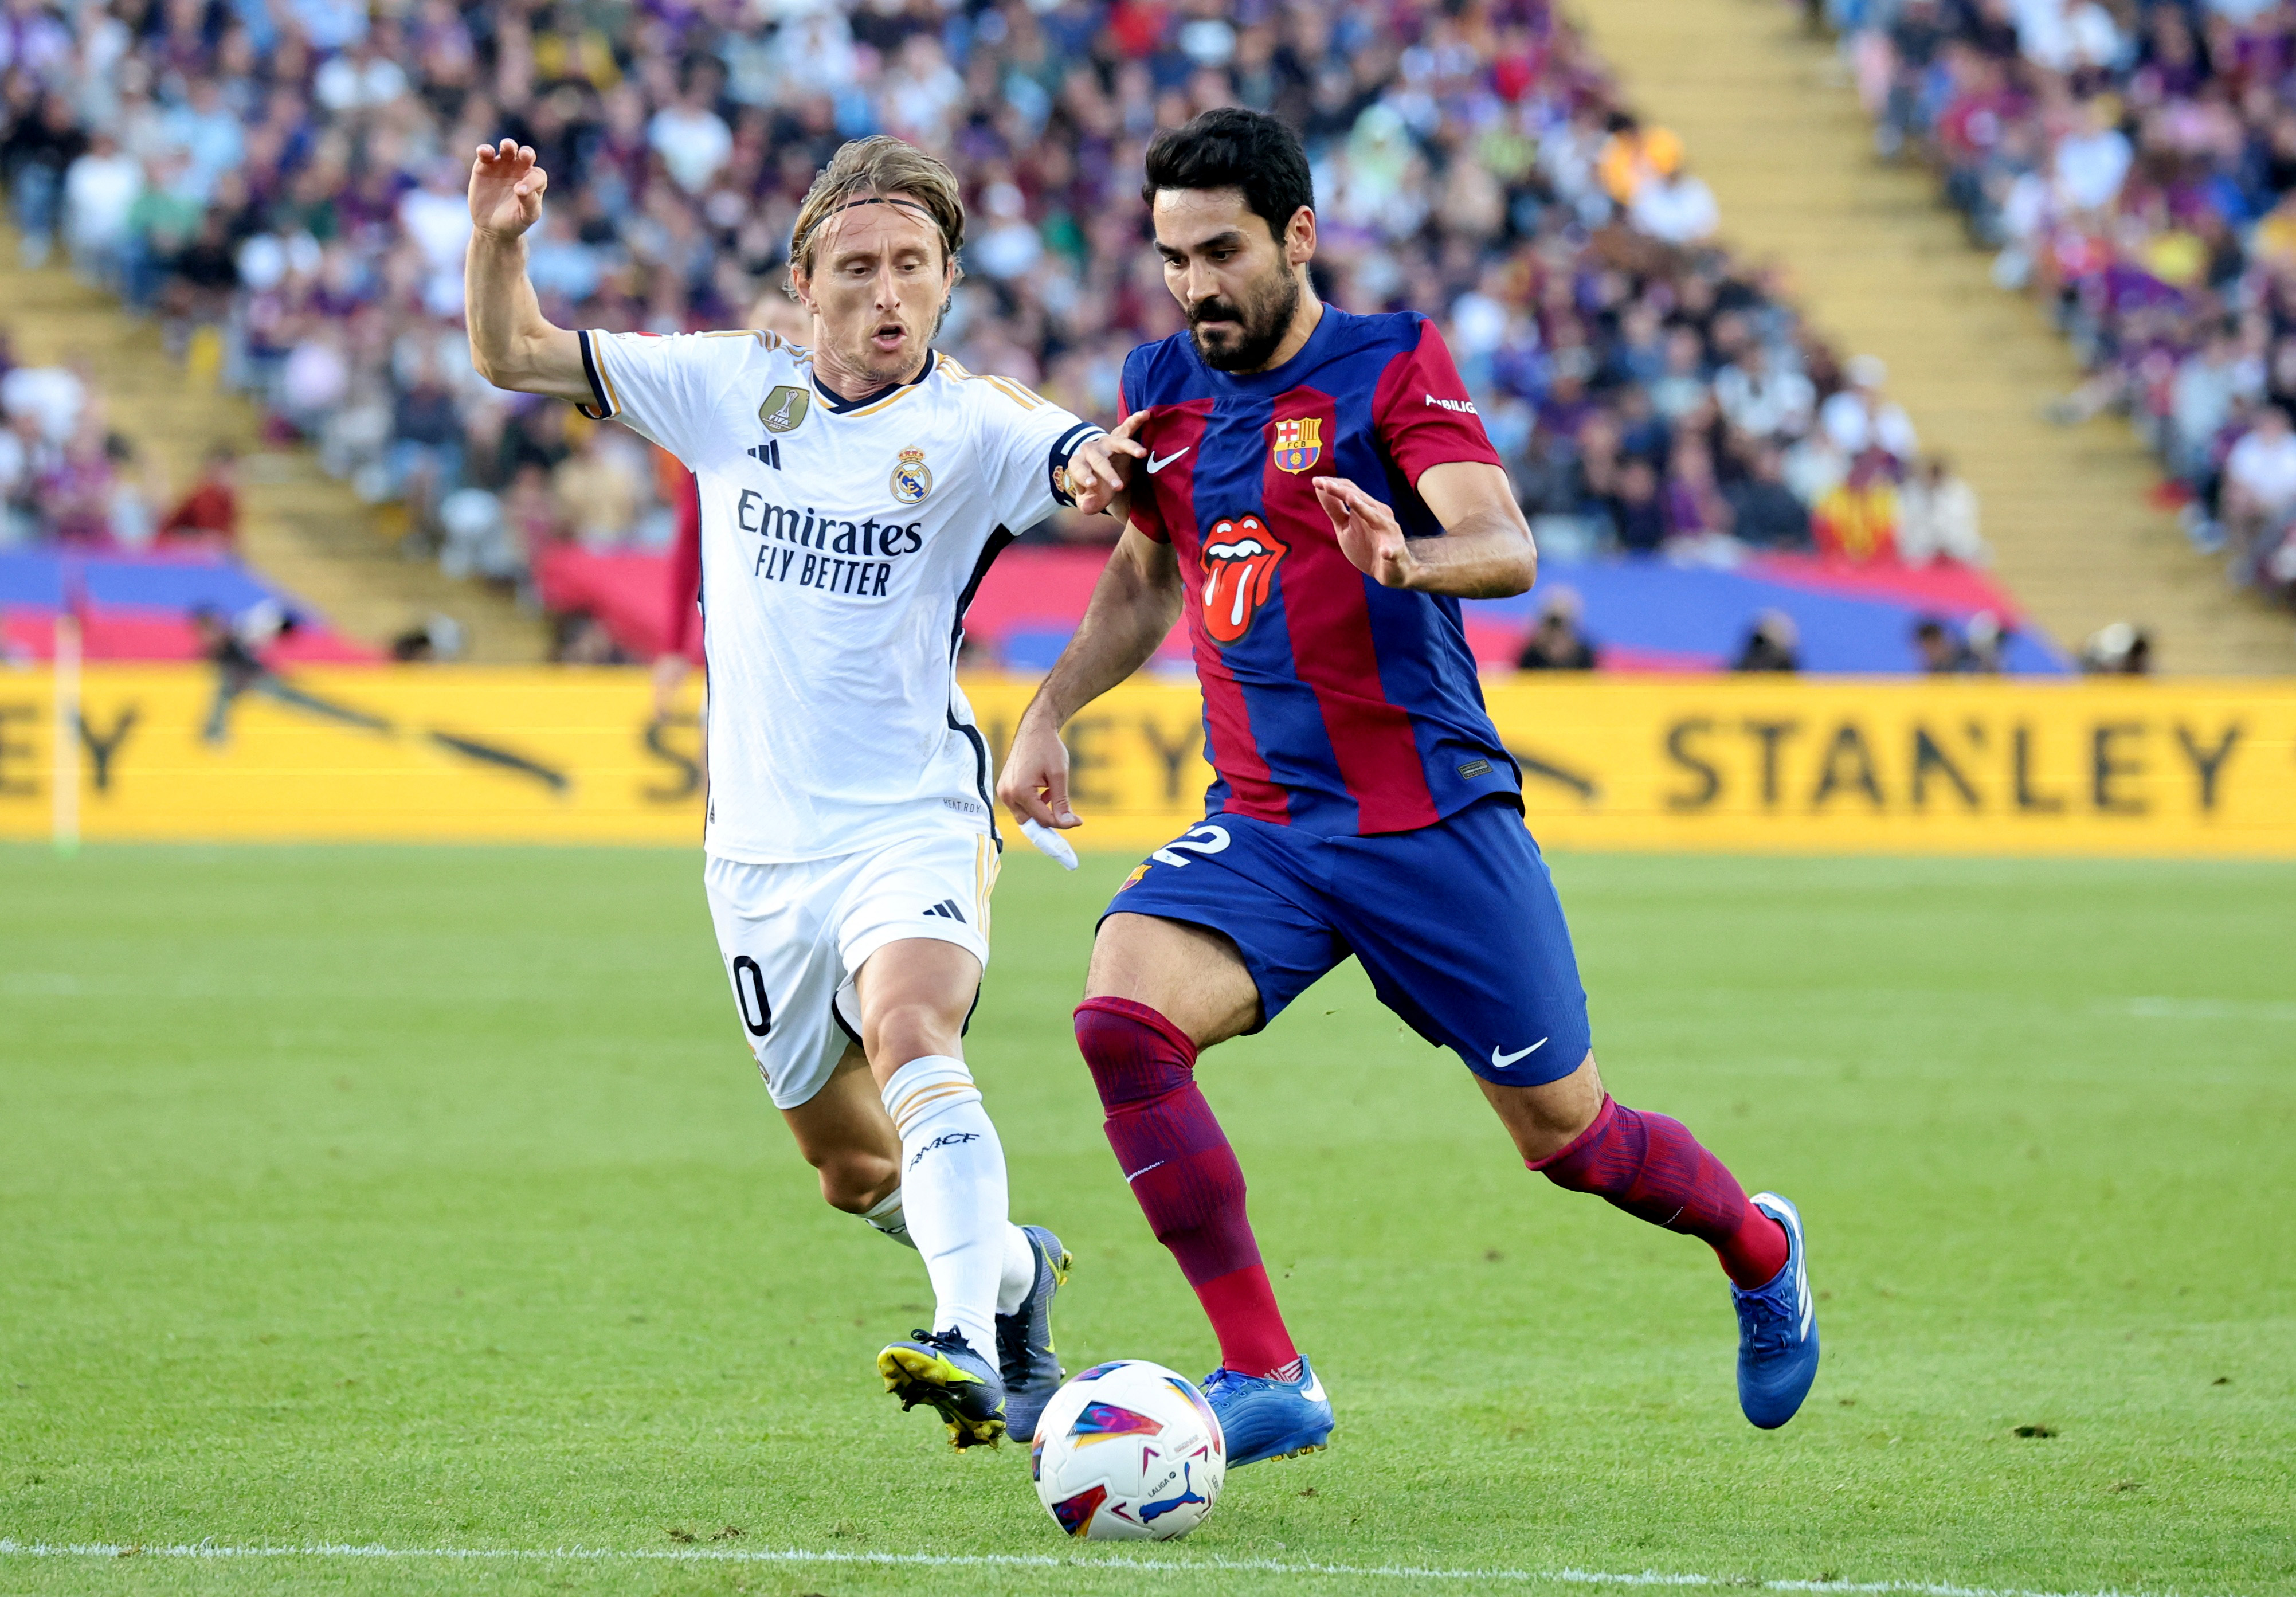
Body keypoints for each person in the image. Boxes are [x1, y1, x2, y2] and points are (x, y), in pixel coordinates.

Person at [997, 109, 1820, 1469]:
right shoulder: (1165, 380)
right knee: (1119, 1021)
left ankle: (1757, 1244)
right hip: (1265, 823)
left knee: (1571, 1140)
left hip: (1428, 823)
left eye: (1221, 252)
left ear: (1298, 237)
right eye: (1170, 257)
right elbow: (1151, 577)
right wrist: (1046, 711)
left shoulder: (1391, 363)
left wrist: (1409, 563)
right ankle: (1268, 1372)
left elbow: (1502, 544)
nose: (1194, 286)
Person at [463, 132, 1114, 1449]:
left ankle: (965, 1346)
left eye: (915, 268)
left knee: (913, 1031)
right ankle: (1008, 1272)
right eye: (859, 267)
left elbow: (1081, 458)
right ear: (802, 283)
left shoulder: (977, 426)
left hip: (911, 815)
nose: (888, 292)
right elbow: (512, 353)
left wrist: (1101, 465)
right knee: (848, 1168)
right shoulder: (720, 389)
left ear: (948, 283)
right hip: (759, 854)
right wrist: (501, 240)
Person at [1515, 587, 1600, 670]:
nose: (1556, 631)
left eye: (1562, 625)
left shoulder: (1585, 655)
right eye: (1552, 623)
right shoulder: (1531, 655)